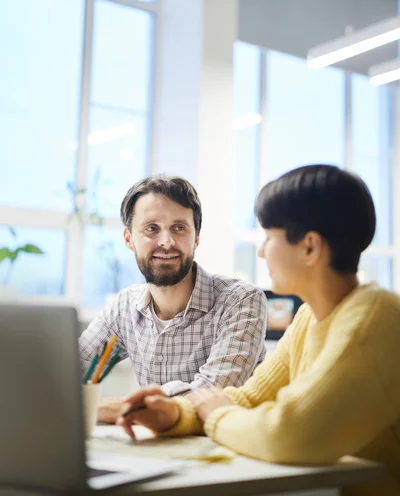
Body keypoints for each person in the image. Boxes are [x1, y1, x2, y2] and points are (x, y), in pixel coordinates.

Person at [118, 165, 400, 496]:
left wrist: (218, 416)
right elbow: (250, 398)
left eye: (269, 238)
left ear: (310, 247)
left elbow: (291, 435)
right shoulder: (311, 316)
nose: (261, 251)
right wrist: (175, 414)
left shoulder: (375, 317)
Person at [80, 175, 267, 423]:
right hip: (155, 452)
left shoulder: (241, 301)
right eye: (151, 229)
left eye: (179, 228)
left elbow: (211, 396)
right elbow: (68, 374)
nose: (166, 242)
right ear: (128, 239)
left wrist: (121, 408)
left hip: (225, 451)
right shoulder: (125, 306)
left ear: (196, 238)